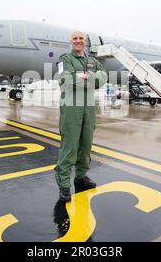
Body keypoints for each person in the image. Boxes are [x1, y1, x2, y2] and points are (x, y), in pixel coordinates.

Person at [55, 31, 107, 202]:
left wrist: (87, 76)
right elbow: (67, 80)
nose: (78, 41)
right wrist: (91, 79)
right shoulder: (65, 59)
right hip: (71, 108)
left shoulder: (92, 61)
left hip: (89, 108)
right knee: (69, 146)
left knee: (86, 145)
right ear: (71, 41)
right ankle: (64, 185)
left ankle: (81, 176)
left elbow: (103, 77)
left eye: (81, 39)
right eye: (75, 39)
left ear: (85, 42)